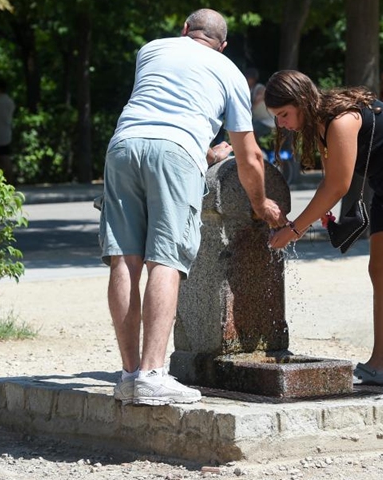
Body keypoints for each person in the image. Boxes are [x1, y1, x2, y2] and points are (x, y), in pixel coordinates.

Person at [100, 9, 286, 406]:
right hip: (176, 152)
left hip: (122, 145)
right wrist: (260, 202)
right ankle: (153, 374)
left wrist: (200, 153)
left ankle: (130, 375)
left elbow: (161, 112)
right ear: (224, 45)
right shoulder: (230, 71)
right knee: (165, 260)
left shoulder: (151, 50)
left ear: (185, 30)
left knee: (124, 260)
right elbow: (249, 155)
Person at [265, 70, 383, 391]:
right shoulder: (321, 122)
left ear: (301, 101)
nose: (282, 124)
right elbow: (332, 179)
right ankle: (381, 364)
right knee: (382, 271)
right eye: (277, 118)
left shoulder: (340, 119)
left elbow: (338, 186)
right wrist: (324, 217)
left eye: (284, 114)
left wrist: (294, 228)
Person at [244, 67, 276, 143]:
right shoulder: (249, 90)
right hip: (258, 120)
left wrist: (250, 108)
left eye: (248, 78)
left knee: (248, 132)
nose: (246, 80)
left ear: (253, 79)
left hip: (268, 122)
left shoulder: (259, 87)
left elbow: (261, 95)